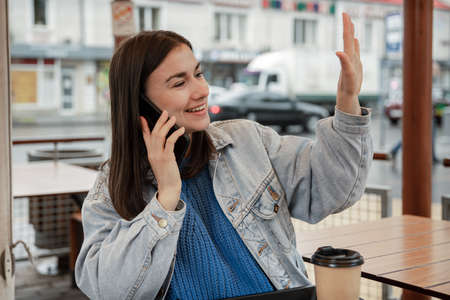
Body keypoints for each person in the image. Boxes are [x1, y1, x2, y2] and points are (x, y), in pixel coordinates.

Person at [75, 13, 373, 300]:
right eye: (180, 83)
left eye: (199, 74)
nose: (202, 90)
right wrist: (166, 198)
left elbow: (333, 190)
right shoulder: (111, 189)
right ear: (140, 102)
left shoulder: (247, 141)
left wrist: (347, 101)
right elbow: (109, 291)